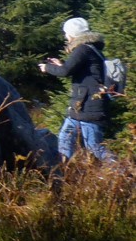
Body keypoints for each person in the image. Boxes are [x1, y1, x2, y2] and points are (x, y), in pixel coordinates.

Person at [38, 17, 114, 162]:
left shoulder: (83, 49)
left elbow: (65, 72)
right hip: (80, 107)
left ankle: (124, 172)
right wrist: (60, 65)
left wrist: (47, 67)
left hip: (89, 107)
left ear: (72, 34)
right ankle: (63, 172)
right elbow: (75, 70)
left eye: (66, 33)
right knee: (65, 140)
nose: (66, 37)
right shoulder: (90, 49)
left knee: (95, 147)